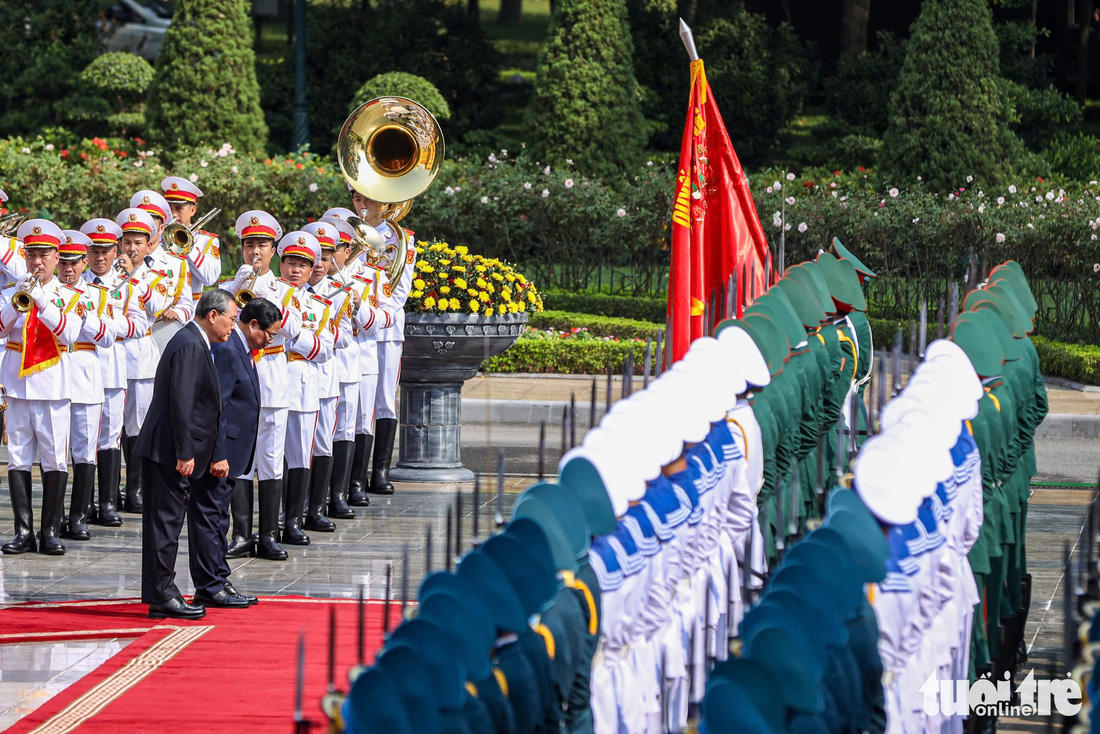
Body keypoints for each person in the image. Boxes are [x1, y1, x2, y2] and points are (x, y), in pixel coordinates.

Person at [135, 288, 237, 620]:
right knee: (165, 524)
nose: (233, 327)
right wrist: (185, 451)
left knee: (163, 524)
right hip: (168, 449)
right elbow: (182, 402)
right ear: (213, 315)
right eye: (231, 320)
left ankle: (159, 593)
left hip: (169, 447)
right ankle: (163, 594)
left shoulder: (193, 341)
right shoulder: (191, 345)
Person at [188, 297, 280, 609]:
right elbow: (219, 405)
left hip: (233, 452)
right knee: (210, 518)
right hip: (221, 453)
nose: (270, 340)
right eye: (269, 334)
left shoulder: (242, 348)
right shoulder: (228, 350)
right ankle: (209, 585)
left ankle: (218, 577)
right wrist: (218, 454)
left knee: (218, 519)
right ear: (253, 324)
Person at [0, 220, 83, 555]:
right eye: (31, 254)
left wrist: (42, 304)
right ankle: (23, 531)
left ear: (56, 256)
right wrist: (16, 302)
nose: (37, 261)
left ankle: (49, 531)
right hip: (17, 386)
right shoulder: (9, 292)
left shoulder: (69, 295)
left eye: (44, 254)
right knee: (18, 458)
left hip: (53, 387)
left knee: (54, 459)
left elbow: (71, 334)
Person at [222, 210, 301, 561]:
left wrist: (266, 295)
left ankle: (268, 534)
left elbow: (296, 329)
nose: (255, 252)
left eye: (262, 246)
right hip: (239, 379)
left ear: (274, 252)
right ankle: (240, 533)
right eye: (250, 245)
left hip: (271, 375)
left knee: (270, 459)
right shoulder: (229, 287)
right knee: (240, 459)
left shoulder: (286, 289)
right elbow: (216, 325)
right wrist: (238, 289)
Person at [80, 217, 150, 527]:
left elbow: (140, 323)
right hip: (82, 369)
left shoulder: (126, 285)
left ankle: (107, 502)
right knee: (83, 439)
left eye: (105, 250)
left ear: (114, 250)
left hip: (112, 367)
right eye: (93, 250)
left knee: (110, 436)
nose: (99, 257)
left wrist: (110, 327)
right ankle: (82, 504)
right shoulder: (75, 285)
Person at [349, 190, 416, 495]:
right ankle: (355, 474)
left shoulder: (401, 238)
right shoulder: (345, 231)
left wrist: (371, 314)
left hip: (385, 330)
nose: (362, 206)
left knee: (384, 400)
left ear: (385, 201)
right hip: (352, 329)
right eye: (357, 199)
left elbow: (399, 293)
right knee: (355, 403)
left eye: (368, 199)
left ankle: (380, 471)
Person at [56, 230, 117, 542]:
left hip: (86, 374)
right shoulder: (47, 291)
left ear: (84, 264)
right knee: (54, 452)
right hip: (53, 374)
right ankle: (52, 519)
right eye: (63, 262)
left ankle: (78, 516)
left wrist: (86, 319)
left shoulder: (97, 295)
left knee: (84, 450)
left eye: (74, 263)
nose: (68, 269)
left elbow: (107, 338)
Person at [277, 231, 334, 546]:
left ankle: (293, 520)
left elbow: (325, 349)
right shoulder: (266, 293)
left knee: (299, 456)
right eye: (290, 263)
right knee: (270, 458)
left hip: (301, 386)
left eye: (303, 264)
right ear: (281, 263)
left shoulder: (319, 306)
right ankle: (271, 521)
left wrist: (294, 334)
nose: (296, 270)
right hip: (270, 382)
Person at [115, 207, 173, 514]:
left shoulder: (156, 275)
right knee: (113, 427)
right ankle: (111, 489)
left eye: (138, 242)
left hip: (140, 356)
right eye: (127, 242)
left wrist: (134, 275)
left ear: (148, 244)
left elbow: (158, 303)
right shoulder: (110, 271)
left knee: (137, 425)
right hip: (111, 357)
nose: (132, 249)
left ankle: (135, 488)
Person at [161, 176, 222, 304]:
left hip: (191, 309)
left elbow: (210, 279)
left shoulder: (206, 241)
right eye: (169, 209)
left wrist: (186, 246)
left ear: (192, 211)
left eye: (178, 209)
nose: (173, 215)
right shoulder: (158, 238)